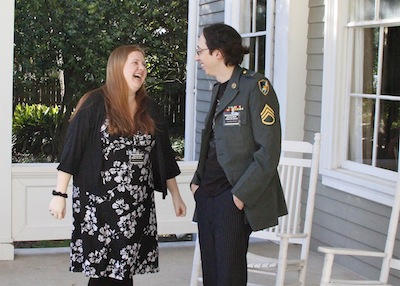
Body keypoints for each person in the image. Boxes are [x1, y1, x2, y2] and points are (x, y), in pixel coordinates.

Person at [48, 44, 186, 286]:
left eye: (143, 64)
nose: (141, 68)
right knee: (103, 273)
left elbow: (163, 155)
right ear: (117, 67)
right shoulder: (95, 103)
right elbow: (72, 151)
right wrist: (59, 194)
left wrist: (176, 195)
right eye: (135, 62)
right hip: (99, 203)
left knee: (125, 270)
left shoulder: (149, 107)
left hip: (136, 205)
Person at [190, 23, 288, 286]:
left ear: (218, 53)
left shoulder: (255, 87)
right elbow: (211, 141)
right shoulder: (217, 89)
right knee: (211, 272)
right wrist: (196, 181)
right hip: (207, 193)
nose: (197, 57)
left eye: (201, 51)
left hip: (232, 196)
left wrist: (240, 196)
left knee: (229, 275)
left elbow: (268, 151)